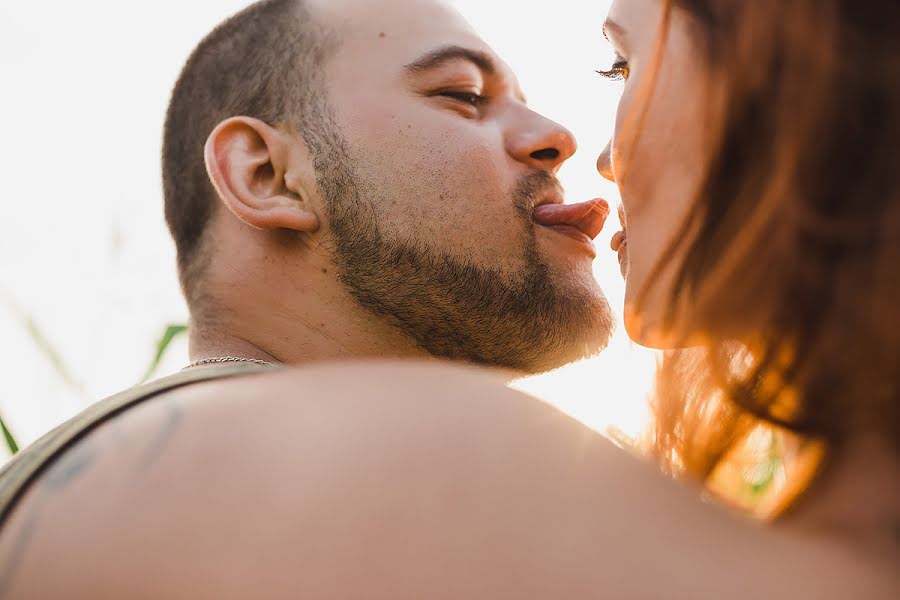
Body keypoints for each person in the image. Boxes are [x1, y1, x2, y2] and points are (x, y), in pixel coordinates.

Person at [1, 0, 898, 598]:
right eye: (463, 96)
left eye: (621, 73)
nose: (564, 140)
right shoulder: (419, 465)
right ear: (269, 175)